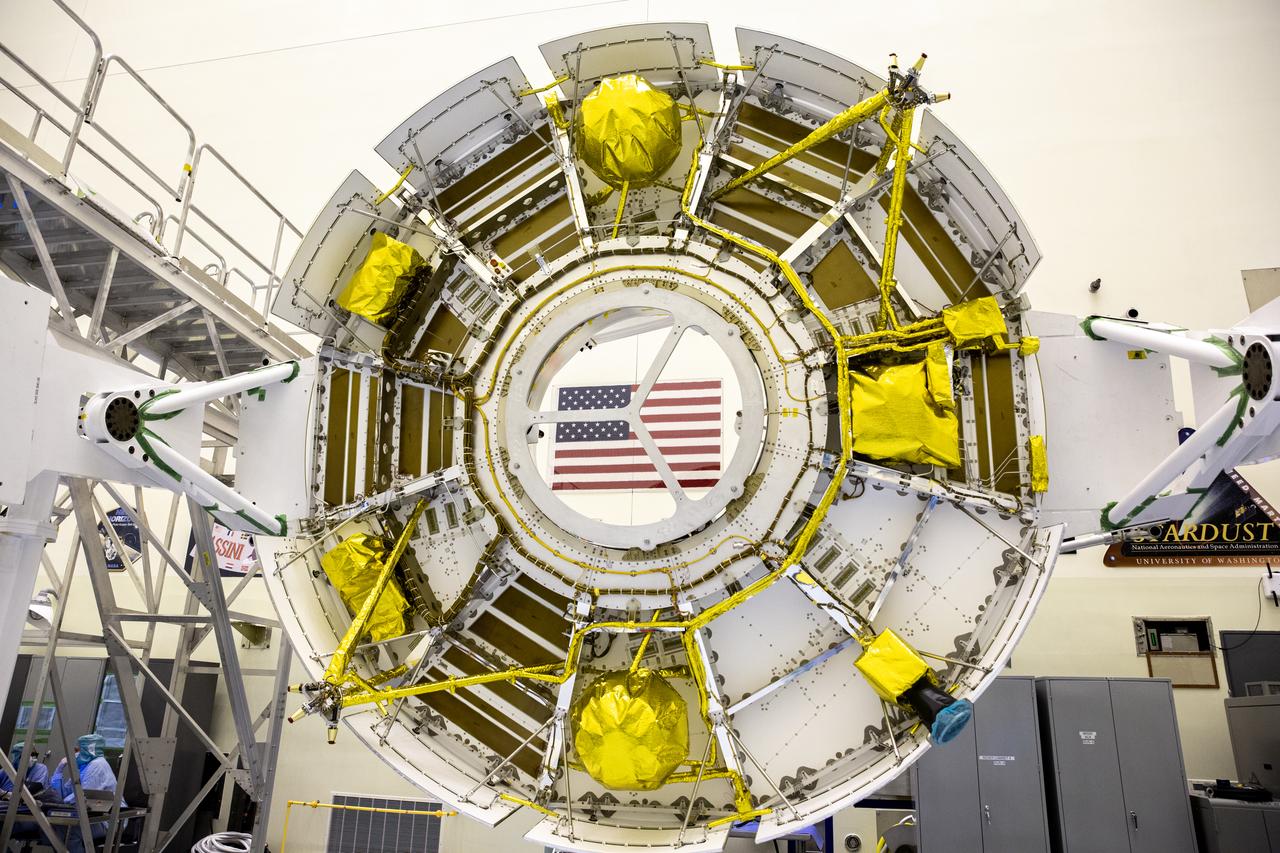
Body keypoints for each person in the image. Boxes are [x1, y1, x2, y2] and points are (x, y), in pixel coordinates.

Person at [47, 734, 124, 853]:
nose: (75, 754)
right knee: (50, 829)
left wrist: (59, 804)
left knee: (68, 831)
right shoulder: (83, 767)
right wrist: (59, 768)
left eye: (77, 750)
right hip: (90, 817)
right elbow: (61, 794)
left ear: (89, 750)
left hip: (107, 820)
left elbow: (81, 796)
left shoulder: (98, 765)